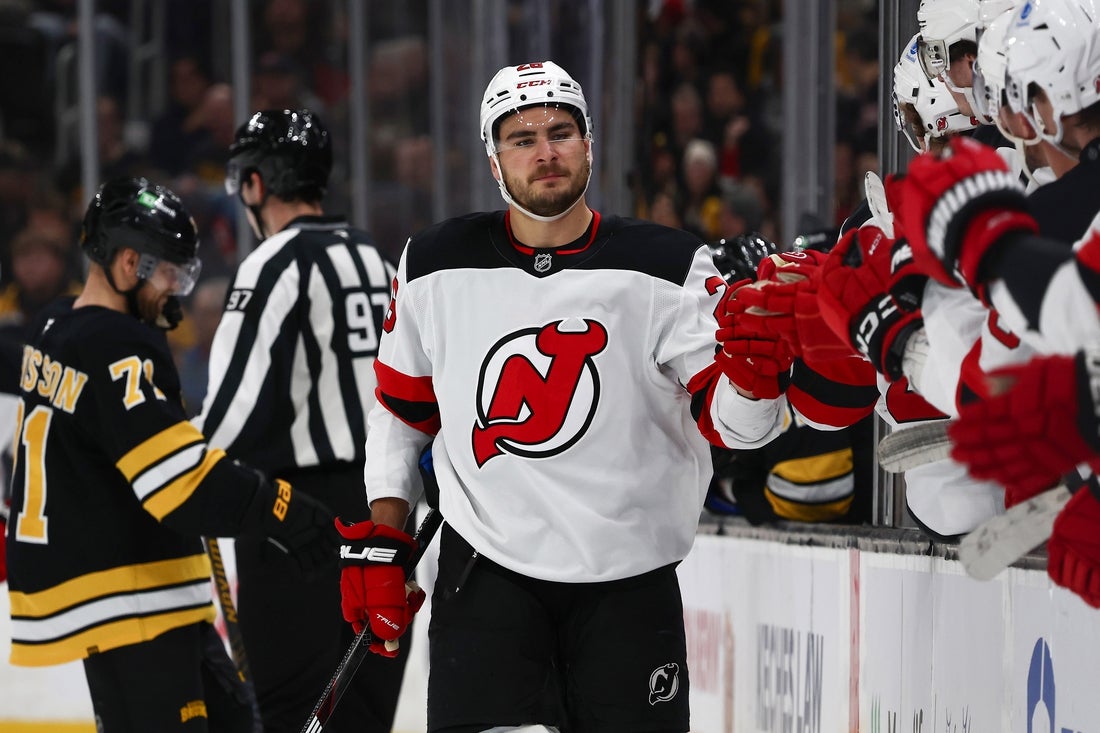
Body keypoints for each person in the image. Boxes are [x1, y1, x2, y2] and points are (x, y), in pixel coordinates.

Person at [335, 60, 786, 733]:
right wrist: (385, 537)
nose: (545, 153)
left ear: (589, 144)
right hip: (485, 578)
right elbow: (402, 415)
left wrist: (755, 374)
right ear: (494, 161)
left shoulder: (669, 266)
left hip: (628, 587)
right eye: (522, 139)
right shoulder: (433, 264)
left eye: (560, 133)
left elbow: (741, 429)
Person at [4, 176, 336, 731]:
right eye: (169, 273)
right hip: (131, 601)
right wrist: (282, 508)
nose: (175, 291)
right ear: (129, 262)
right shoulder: (115, 343)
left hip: (141, 597)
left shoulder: (55, 328)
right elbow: (180, 483)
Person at [195, 108, 404, 733]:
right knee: (363, 711)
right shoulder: (377, 259)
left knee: (291, 710)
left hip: (296, 523)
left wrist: (177, 473)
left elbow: (228, 417)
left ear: (255, 183)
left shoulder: (274, 264)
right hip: (388, 512)